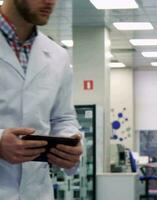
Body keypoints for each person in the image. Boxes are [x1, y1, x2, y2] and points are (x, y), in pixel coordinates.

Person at [0, 0, 83, 199]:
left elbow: (63, 117)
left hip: (36, 192)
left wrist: (70, 142)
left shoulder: (58, 56)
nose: (50, 2)